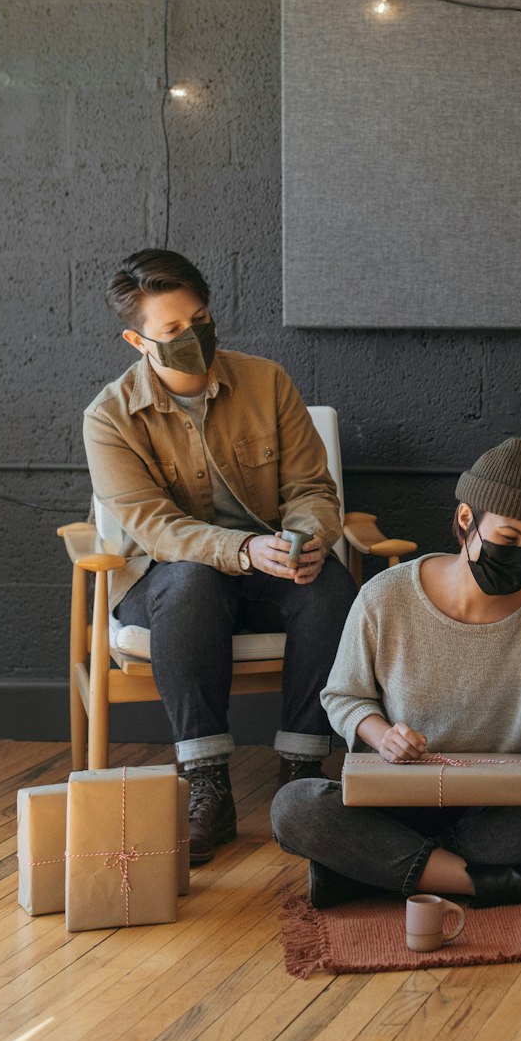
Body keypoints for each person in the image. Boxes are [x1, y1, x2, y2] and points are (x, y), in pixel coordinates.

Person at [271, 438, 521, 909]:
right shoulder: (385, 597)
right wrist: (382, 735)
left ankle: (375, 873)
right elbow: (343, 697)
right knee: (294, 806)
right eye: (508, 539)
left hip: (495, 811)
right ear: (467, 520)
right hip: (394, 801)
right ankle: (483, 884)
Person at [84, 248, 357, 863]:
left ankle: (302, 775)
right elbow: (155, 529)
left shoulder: (267, 381)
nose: (193, 336)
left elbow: (313, 488)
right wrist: (242, 549)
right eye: (172, 331)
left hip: (270, 564)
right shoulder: (109, 417)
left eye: (199, 319)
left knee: (331, 586)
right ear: (137, 340)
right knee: (191, 583)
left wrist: (304, 538)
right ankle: (206, 783)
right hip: (166, 579)